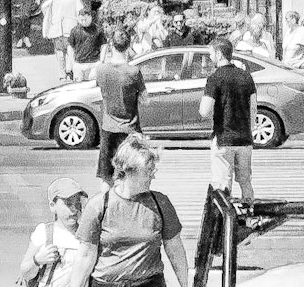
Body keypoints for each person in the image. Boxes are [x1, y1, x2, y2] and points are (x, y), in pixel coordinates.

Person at [62, 133, 189, 287]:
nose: (153, 176)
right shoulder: (99, 206)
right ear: (129, 171)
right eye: (148, 171)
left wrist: (185, 284)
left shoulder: (161, 203)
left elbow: (175, 250)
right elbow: (86, 255)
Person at [199, 32, 258, 207]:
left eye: (211, 54)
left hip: (224, 138)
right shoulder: (246, 77)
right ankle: (250, 213)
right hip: (245, 139)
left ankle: (225, 222)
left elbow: (204, 111)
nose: (210, 57)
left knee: (223, 183)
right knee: (245, 181)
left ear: (218, 54)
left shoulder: (215, 78)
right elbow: (253, 107)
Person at [19, 173, 95, 287]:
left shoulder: (87, 236)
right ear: (52, 206)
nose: (74, 210)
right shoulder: (44, 232)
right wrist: (37, 260)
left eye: (78, 204)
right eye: (68, 204)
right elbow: (25, 272)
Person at [95, 25, 146, 183]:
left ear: (111, 45)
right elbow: (145, 99)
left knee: (106, 177)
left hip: (108, 128)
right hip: (129, 129)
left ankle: (105, 206)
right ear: (128, 46)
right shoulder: (134, 72)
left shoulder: (101, 70)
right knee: (129, 176)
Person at [42, 0, 83, 80]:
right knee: (71, 50)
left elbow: (44, 6)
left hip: (56, 27)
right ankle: (71, 71)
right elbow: (81, 11)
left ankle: (62, 74)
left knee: (59, 51)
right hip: (71, 28)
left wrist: (48, 16)